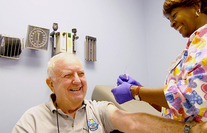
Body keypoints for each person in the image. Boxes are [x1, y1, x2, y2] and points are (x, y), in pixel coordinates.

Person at [12, 52, 207, 133]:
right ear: (51, 84)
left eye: (81, 73)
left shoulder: (98, 110)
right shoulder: (32, 120)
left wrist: (190, 129)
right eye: (67, 75)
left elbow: (134, 122)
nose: (78, 80)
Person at [111, 0, 207, 132]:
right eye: (169, 20)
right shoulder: (192, 49)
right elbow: (174, 107)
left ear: (197, 6)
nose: (172, 24)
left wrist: (135, 91)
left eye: (174, 15)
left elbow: (190, 98)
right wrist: (141, 91)